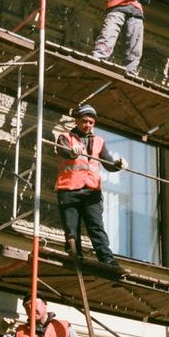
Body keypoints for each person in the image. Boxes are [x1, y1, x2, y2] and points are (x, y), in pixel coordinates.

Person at [55, 104, 127, 268]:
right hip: (69, 189)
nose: (87, 125)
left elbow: (108, 162)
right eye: (84, 121)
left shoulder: (99, 141)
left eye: (91, 122)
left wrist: (117, 164)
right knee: (71, 228)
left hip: (91, 191)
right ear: (77, 121)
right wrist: (71, 151)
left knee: (96, 226)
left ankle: (107, 258)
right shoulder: (65, 137)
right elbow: (63, 150)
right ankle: (75, 254)